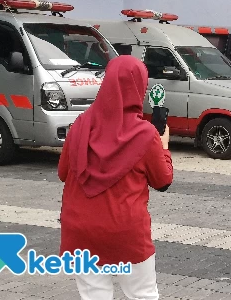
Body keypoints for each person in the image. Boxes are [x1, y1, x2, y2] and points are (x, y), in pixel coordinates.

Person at [58, 55, 173, 300]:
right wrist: (163, 146)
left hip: (80, 230)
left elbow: (62, 173)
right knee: (142, 295)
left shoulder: (80, 124)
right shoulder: (145, 134)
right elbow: (163, 181)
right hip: (125, 232)